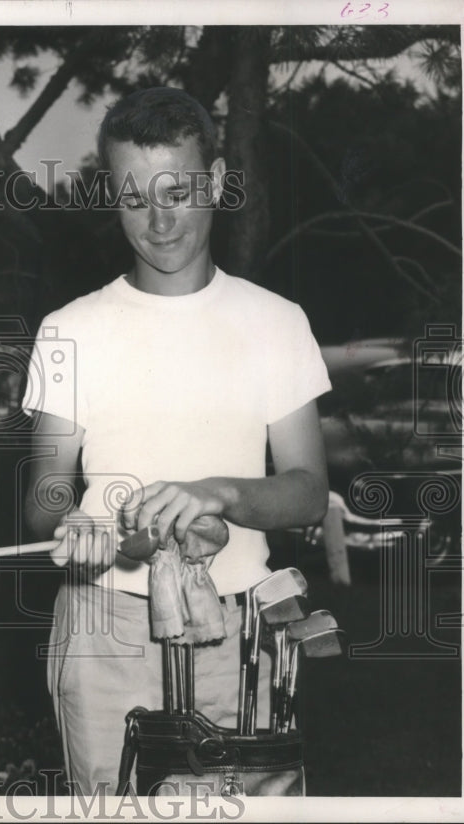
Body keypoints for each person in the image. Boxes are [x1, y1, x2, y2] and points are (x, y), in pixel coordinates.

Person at [23, 87, 331, 795]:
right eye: (135, 198)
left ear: (217, 182)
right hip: (104, 626)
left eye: (179, 192)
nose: (160, 222)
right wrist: (84, 527)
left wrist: (217, 491)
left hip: (241, 625)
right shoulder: (72, 328)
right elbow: (44, 500)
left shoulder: (275, 322)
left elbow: (307, 490)